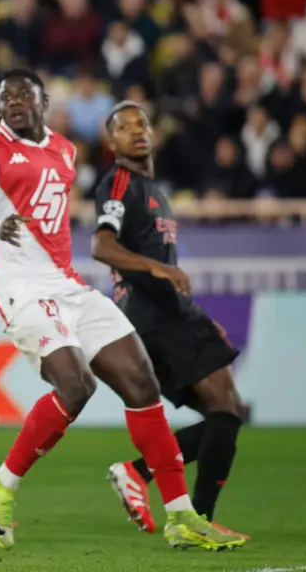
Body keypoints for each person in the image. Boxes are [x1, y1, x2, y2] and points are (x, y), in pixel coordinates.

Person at [0, 70, 246, 552]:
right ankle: (1, 483)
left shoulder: (66, 151)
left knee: (141, 380)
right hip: (23, 292)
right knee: (76, 386)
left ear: (45, 101)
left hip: (69, 287)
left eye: (25, 94)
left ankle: (181, 516)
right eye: (6, 98)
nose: (16, 102)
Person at [94, 101, 248, 539]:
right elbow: (102, 246)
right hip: (154, 313)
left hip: (168, 314)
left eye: (142, 121)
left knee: (225, 416)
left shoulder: (154, 189)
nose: (137, 130)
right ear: (111, 143)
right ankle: (192, 518)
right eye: (123, 127)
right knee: (227, 408)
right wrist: (156, 268)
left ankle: (144, 477)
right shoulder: (119, 182)